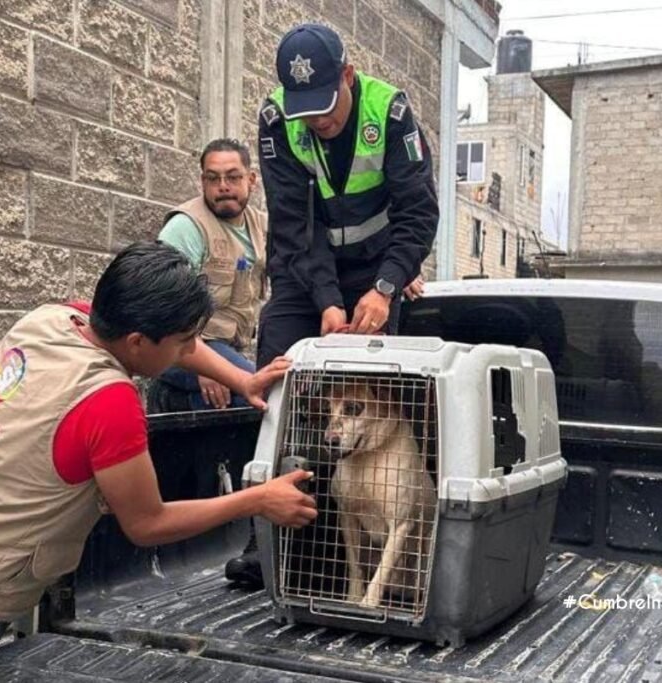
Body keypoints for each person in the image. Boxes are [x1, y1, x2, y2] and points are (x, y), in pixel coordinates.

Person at [0, 242, 317, 682]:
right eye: (182, 341)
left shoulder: (53, 318)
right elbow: (147, 524)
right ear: (137, 342)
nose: (187, 349)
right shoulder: (108, 403)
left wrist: (243, 379)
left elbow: (172, 340)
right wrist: (257, 499)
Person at [224, 23, 439, 586]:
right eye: (306, 111)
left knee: (380, 387)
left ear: (348, 75)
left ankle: (389, 530)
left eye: (326, 105)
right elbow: (295, 224)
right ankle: (267, 537)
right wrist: (325, 300)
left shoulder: (389, 114)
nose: (318, 121)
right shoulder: (278, 121)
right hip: (305, 268)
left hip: (377, 267)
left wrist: (387, 286)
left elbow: (418, 214)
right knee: (277, 378)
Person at [149, 138, 267, 412]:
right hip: (182, 347)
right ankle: (169, 401)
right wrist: (207, 366)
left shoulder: (262, 226)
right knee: (260, 396)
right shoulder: (186, 227)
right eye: (213, 178)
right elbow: (163, 310)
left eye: (233, 177)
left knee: (278, 390)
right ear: (202, 182)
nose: (223, 186)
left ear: (251, 180)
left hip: (228, 346)